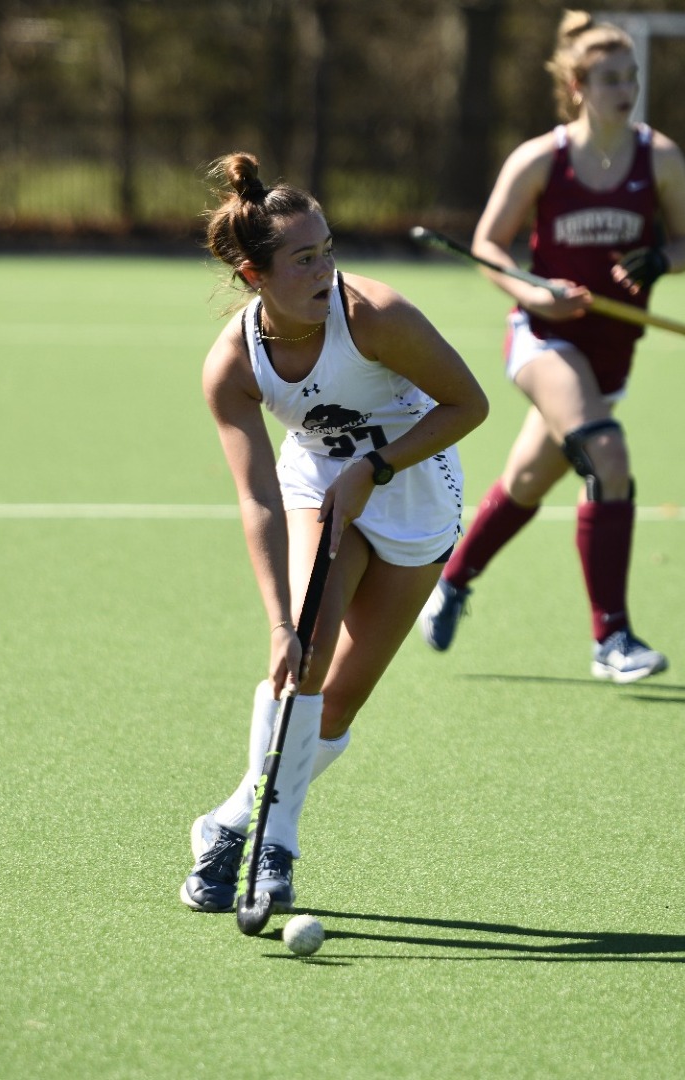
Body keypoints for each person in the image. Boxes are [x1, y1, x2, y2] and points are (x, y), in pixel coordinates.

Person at [182, 152, 488, 913]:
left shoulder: (376, 316)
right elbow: (256, 499)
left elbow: (468, 406)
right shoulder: (234, 366)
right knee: (304, 658)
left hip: (415, 489)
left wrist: (378, 467)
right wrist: (280, 623)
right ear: (255, 275)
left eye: (328, 252)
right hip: (318, 482)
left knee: (340, 705)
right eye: (302, 260)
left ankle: (228, 820)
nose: (325, 272)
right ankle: (275, 851)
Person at [418, 11, 685, 684]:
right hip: (543, 339)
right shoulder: (542, 160)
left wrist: (662, 260)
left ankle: (451, 582)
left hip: (613, 350)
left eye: (631, 76)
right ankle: (614, 639)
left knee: (525, 481)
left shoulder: (658, 157)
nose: (625, 89)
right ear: (577, 85)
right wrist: (536, 292)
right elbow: (488, 244)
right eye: (609, 78)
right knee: (608, 454)